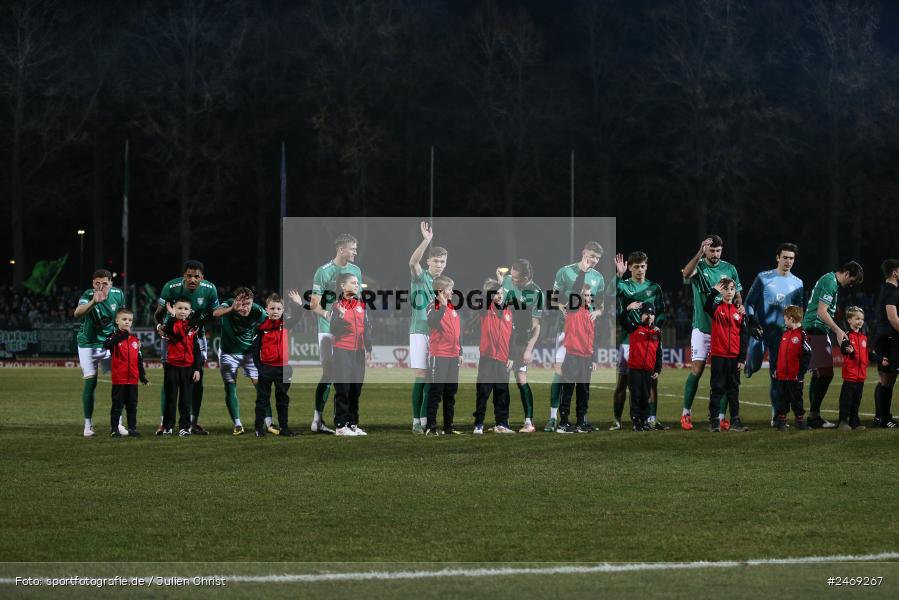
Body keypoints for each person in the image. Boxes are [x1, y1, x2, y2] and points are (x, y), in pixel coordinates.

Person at [680, 235, 742, 431]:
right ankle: (686, 413)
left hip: (724, 329)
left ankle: (721, 417)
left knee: (724, 373)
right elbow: (686, 274)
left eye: (718, 251)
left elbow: (738, 293)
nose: (715, 254)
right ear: (706, 250)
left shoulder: (729, 268)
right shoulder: (699, 266)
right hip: (703, 328)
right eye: (712, 250)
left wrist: (740, 305)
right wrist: (699, 252)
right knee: (697, 370)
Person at [154, 260, 219, 435]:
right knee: (169, 381)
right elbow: (159, 312)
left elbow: (215, 314)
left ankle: (192, 422)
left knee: (197, 379)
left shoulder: (210, 289)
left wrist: (197, 324)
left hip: (196, 336)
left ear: (202, 277)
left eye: (196, 276)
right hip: (172, 336)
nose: (192, 279)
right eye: (189, 276)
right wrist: (160, 326)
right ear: (184, 275)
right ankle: (164, 423)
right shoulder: (171, 287)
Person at [546, 241, 605, 432]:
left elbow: (601, 303)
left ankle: (581, 420)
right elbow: (553, 298)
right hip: (565, 330)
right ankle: (555, 418)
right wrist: (561, 306)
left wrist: (597, 312)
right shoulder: (565, 272)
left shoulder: (598, 278)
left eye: (597, 258)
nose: (594, 260)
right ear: (583, 253)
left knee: (582, 384)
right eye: (592, 256)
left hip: (584, 333)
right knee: (561, 376)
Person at [743, 243, 804, 426]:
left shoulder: (798, 283)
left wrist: (798, 331)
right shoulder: (763, 278)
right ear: (778, 258)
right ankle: (749, 366)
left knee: (776, 376)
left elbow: (798, 310)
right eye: (785, 257)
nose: (788, 261)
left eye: (791, 258)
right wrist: (752, 321)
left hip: (782, 336)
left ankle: (776, 416)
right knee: (754, 365)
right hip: (761, 332)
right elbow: (749, 302)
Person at [309, 234, 363, 434]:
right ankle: (318, 419)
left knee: (349, 375)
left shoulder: (356, 271)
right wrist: (328, 315)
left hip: (349, 332)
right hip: (327, 329)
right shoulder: (323, 272)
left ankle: (347, 422)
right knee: (329, 373)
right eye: (353, 248)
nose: (355, 252)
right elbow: (314, 304)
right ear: (341, 249)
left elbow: (358, 301)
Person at [802, 261, 864, 428]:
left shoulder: (830, 281)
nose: (851, 284)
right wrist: (837, 330)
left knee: (819, 374)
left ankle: (814, 415)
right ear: (847, 273)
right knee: (827, 373)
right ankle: (813, 415)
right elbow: (822, 311)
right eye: (852, 280)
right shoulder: (830, 282)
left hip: (816, 328)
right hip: (815, 328)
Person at [613, 251, 667, 430]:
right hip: (628, 339)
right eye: (636, 267)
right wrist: (618, 275)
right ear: (630, 267)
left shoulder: (655, 288)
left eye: (643, 266)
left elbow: (661, 312)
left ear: (646, 266)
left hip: (649, 339)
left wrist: (657, 326)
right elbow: (607, 294)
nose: (640, 270)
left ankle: (651, 418)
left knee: (652, 380)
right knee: (623, 381)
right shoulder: (623, 285)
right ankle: (617, 420)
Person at [73, 269, 127, 437]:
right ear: (93, 284)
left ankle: (118, 423)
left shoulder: (118, 294)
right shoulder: (88, 295)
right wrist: (93, 302)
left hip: (108, 343)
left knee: (119, 381)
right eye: (97, 283)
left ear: (111, 283)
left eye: (105, 283)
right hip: (88, 344)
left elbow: (123, 316)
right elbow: (77, 313)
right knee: (91, 382)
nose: (101, 286)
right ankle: (88, 425)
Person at [408, 222, 447, 433]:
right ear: (428, 261)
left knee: (431, 378)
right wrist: (426, 240)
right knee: (422, 374)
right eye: (436, 261)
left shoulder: (444, 284)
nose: (439, 264)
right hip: (420, 331)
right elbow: (413, 262)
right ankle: (416, 421)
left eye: (442, 261)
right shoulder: (421, 276)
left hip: (436, 334)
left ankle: (425, 421)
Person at [212, 287, 267, 436]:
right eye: (241, 304)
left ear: (252, 302)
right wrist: (232, 308)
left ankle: (269, 422)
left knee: (261, 388)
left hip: (249, 354)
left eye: (247, 303)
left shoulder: (258, 311)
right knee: (230, 387)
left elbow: (270, 324)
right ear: (235, 301)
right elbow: (215, 313)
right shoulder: (228, 304)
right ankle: (237, 424)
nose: (244, 307)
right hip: (228, 354)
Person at [498, 258, 543, 432]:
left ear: (526, 278)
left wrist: (529, 349)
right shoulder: (508, 280)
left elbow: (536, 325)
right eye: (511, 275)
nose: (512, 279)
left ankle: (528, 422)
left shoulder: (537, 293)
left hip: (520, 341)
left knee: (521, 378)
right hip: (503, 339)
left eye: (516, 278)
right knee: (502, 378)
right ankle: (503, 422)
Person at [556, 271, 601, 434]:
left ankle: (581, 422)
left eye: (590, 295)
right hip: (573, 356)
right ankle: (563, 423)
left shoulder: (590, 314)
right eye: (586, 295)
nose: (589, 298)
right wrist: (582, 272)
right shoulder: (573, 309)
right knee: (568, 389)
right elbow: (575, 289)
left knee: (584, 391)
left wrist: (594, 358)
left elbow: (592, 338)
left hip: (586, 357)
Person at [252, 292, 302, 437]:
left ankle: (284, 428)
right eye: (272, 308)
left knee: (283, 400)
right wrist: (260, 367)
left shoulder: (286, 324)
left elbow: (297, 317)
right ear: (266, 309)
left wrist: (298, 304)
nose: (275, 311)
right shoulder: (261, 327)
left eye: (278, 309)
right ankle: (258, 428)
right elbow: (255, 349)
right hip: (266, 369)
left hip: (284, 369)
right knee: (262, 400)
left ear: (283, 310)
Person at [329, 273, 372, 436]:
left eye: (357, 283)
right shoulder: (336, 306)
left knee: (355, 389)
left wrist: (369, 348)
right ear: (342, 286)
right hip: (342, 351)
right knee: (343, 389)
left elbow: (366, 327)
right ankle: (341, 426)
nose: (356, 285)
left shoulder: (361, 305)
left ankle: (352, 424)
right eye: (353, 283)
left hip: (359, 352)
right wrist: (340, 314)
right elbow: (334, 329)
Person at [703, 279, 749, 433]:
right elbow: (706, 306)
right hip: (719, 356)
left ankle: (735, 420)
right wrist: (713, 292)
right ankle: (714, 420)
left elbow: (744, 337)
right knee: (717, 388)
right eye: (726, 289)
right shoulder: (716, 308)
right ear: (721, 291)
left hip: (734, 357)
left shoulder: (740, 312)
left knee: (733, 390)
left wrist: (742, 358)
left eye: (732, 289)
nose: (729, 292)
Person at [473, 280, 514, 435]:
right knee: (483, 392)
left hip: (503, 359)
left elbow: (512, 337)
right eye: (496, 293)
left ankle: (501, 424)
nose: (500, 295)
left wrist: (511, 356)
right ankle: (479, 424)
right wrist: (496, 285)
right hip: (488, 358)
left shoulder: (509, 312)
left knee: (501, 393)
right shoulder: (485, 309)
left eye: (501, 293)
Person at [425, 275, 463, 436]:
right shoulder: (433, 306)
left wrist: (460, 351)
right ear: (440, 291)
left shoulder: (452, 307)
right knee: (436, 392)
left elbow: (457, 332)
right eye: (449, 289)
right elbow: (432, 322)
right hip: (439, 355)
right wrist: (441, 305)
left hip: (453, 356)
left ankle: (449, 427)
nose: (452, 292)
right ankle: (431, 427)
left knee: (450, 393)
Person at [160, 297, 203, 436]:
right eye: (179, 308)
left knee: (186, 400)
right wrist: (172, 316)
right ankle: (168, 426)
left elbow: (196, 350)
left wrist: (197, 369)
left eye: (186, 309)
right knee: (170, 398)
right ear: (173, 309)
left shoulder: (192, 327)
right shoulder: (170, 324)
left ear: (190, 311)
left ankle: (184, 427)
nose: (182, 311)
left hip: (188, 368)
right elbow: (170, 332)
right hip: (172, 366)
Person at [103, 307, 149, 437]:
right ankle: (114, 429)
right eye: (124, 319)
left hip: (133, 379)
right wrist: (123, 335)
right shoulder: (113, 337)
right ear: (117, 321)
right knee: (117, 405)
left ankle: (132, 428)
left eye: (130, 320)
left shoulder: (135, 340)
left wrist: (142, 376)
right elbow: (106, 345)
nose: (127, 322)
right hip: (119, 379)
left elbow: (139, 360)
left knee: (132, 405)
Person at [617, 303, 662, 431]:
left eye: (652, 314)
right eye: (646, 313)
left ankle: (645, 421)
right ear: (641, 315)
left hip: (648, 370)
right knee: (636, 396)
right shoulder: (634, 327)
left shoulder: (657, 332)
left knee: (646, 396)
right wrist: (628, 309)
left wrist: (657, 369)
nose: (649, 316)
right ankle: (636, 421)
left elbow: (658, 352)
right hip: (635, 370)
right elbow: (622, 319)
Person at [772, 305, 812, 431]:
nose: (784, 321)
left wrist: (801, 373)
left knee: (797, 400)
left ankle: (800, 421)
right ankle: (781, 422)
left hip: (795, 377)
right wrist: (777, 369)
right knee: (782, 399)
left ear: (791, 319)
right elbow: (781, 354)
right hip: (782, 375)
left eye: (785, 319)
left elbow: (807, 354)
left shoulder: (802, 334)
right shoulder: (785, 334)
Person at [871, 259, 899, 428]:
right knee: (887, 381)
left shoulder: (884, 288)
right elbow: (892, 317)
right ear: (895, 272)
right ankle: (884, 418)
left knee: (885, 381)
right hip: (889, 340)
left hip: (883, 339)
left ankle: (880, 417)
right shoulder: (892, 291)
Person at [837, 307, 868, 431]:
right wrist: (848, 350)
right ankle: (843, 421)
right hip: (850, 375)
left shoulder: (864, 337)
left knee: (856, 400)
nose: (860, 321)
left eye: (862, 319)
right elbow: (844, 348)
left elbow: (866, 354)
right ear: (849, 320)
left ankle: (855, 422)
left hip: (861, 376)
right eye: (857, 318)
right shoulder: (847, 335)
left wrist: (880, 359)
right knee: (846, 400)